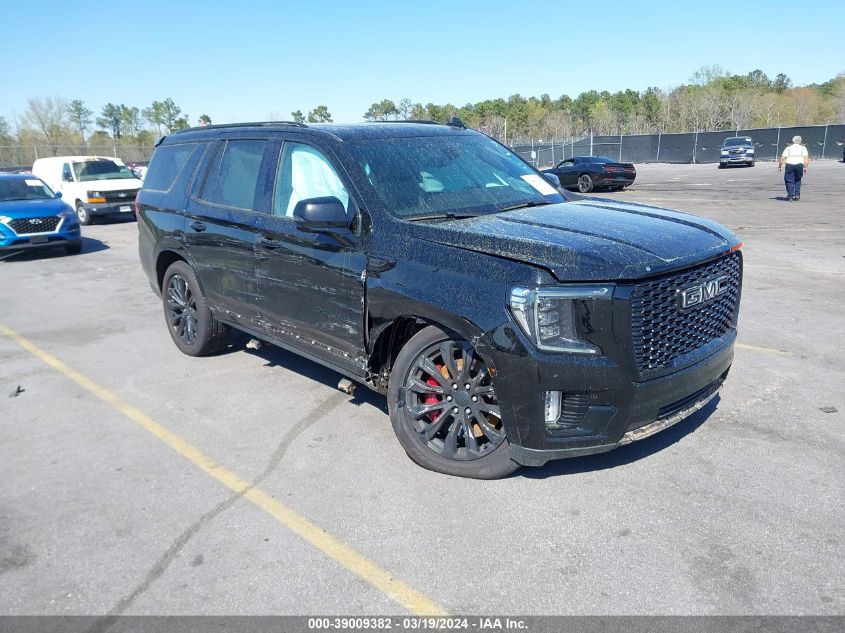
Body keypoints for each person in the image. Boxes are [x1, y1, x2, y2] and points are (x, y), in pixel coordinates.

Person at [777, 135, 810, 201]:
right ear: (800, 141)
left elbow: (782, 158)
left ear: (793, 141)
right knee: (798, 179)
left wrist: (779, 166)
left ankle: (790, 196)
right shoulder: (803, 148)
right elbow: (806, 158)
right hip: (800, 165)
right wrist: (806, 167)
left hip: (789, 165)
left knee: (788, 180)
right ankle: (797, 194)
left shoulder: (788, 148)